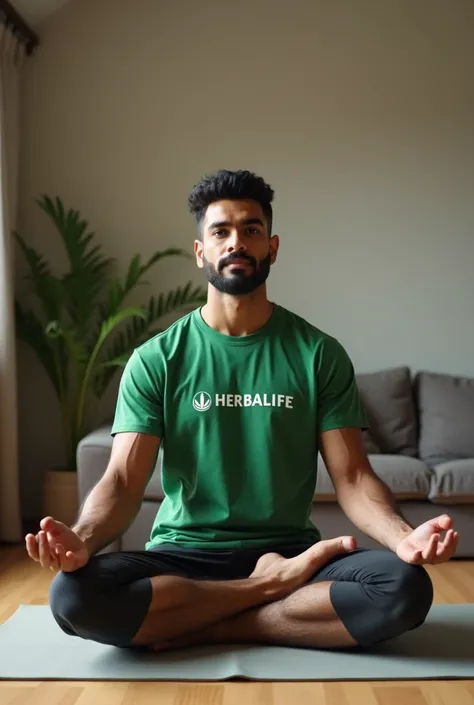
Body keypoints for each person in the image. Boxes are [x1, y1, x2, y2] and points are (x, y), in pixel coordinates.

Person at [26, 169, 458, 653]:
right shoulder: (158, 358)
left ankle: (200, 621)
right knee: (72, 596)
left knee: (405, 588)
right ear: (201, 253)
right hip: (183, 555)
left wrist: (403, 538)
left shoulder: (318, 354)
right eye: (221, 232)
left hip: (290, 550)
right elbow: (124, 483)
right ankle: (264, 595)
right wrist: (82, 539)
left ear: (272, 248)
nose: (237, 242)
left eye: (251, 230)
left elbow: (354, 478)